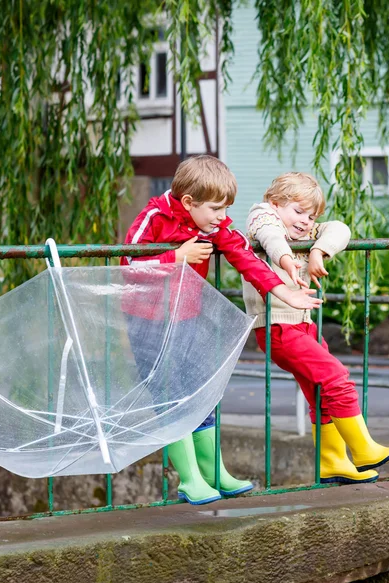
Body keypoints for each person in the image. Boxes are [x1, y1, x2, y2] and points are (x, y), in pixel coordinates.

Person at [121, 155, 322, 504]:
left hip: (185, 317)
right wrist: (175, 257)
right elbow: (126, 264)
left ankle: (214, 471)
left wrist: (282, 289)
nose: (221, 217)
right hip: (148, 322)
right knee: (169, 395)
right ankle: (189, 479)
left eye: (224, 209)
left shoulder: (213, 225)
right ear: (188, 202)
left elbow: (245, 257)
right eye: (215, 209)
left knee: (200, 390)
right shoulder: (155, 217)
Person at [243, 172, 389, 484]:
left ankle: (332, 463)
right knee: (336, 377)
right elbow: (271, 238)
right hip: (277, 326)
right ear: (274, 203)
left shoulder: (306, 230)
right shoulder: (263, 217)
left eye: (311, 215)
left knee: (320, 391)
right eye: (298, 211)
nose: (305, 221)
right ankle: (363, 448)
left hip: (302, 324)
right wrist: (288, 260)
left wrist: (318, 250)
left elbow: (339, 228)